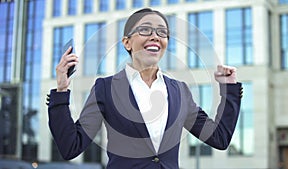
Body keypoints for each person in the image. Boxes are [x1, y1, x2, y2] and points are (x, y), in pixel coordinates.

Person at [47, 7, 243, 169]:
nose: (155, 36)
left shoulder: (180, 91)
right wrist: (62, 90)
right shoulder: (105, 88)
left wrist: (229, 89)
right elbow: (70, 146)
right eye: (145, 30)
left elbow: (219, 138)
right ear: (127, 42)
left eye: (162, 32)